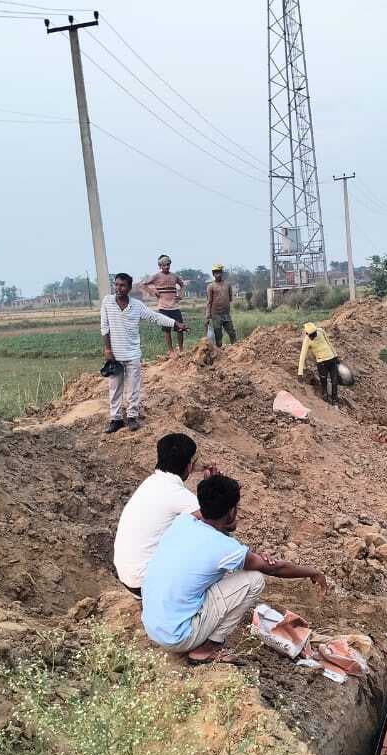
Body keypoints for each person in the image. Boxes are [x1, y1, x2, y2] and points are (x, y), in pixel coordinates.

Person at [141, 473, 327, 661]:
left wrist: (225, 519)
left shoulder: (182, 522)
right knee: (254, 580)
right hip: (178, 636)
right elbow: (275, 569)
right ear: (231, 511)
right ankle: (209, 648)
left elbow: (207, 515)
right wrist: (314, 572)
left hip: (153, 625)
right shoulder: (224, 547)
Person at [113, 433, 215, 595]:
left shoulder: (151, 483)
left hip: (128, 577)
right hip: (146, 583)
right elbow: (216, 519)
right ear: (189, 466)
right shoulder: (177, 494)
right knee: (209, 541)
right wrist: (213, 485)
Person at [101, 272, 180, 433]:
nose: (118, 288)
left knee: (133, 388)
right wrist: (108, 349)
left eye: (122, 285)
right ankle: (115, 419)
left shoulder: (136, 305)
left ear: (129, 288)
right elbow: (105, 327)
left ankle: (132, 416)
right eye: (116, 284)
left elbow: (154, 317)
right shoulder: (107, 302)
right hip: (115, 355)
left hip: (133, 355)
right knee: (114, 388)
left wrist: (175, 324)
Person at [141, 254, 186, 353]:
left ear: (170, 265)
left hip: (174, 306)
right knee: (166, 330)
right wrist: (153, 292)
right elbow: (143, 284)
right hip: (163, 307)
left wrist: (180, 295)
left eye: (168, 265)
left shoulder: (174, 276)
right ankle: (171, 351)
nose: (166, 267)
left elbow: (182, 285)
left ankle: (181, 350)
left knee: (180, 328)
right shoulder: (156, 276)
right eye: (163, 265)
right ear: (160, 266)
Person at [297, 321, 341, 404]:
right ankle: (325, 397)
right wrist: (300, 373)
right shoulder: (307, 341)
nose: (313, 336)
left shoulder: (321, 331)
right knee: (323, 381)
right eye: (311, 335)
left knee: (334, 380)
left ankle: (334, 399)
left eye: (314, 333)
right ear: (307, 334)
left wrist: (335, 355)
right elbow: (302, 356)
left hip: (331, 359)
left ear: (316, 330)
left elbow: (329, 343)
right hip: (322, 363)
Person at [205, 264, 237, 346]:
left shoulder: (228, 285)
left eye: (219, 272)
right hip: (215, 315)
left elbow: (230, 298)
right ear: (213, 274)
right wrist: (208, 315)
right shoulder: (210, 286)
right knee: (218, 335)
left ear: (222, 273)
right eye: (216, 273)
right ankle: (219, 352)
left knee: (232, 333)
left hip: (226, 313)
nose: (218, 274)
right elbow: (209, 301)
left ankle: (236, 349)